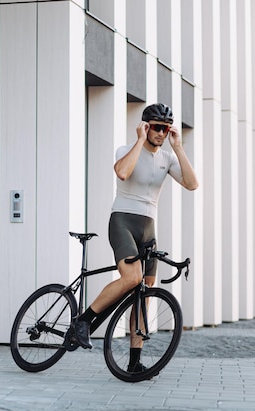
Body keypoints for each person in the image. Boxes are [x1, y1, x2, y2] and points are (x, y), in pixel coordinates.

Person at [72, 103, 199, 372]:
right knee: (131, 278)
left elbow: (192, 184)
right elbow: (122, 172)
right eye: (156, 127)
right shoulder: (127, 150)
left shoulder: (167, 157)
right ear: (144, 126)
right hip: (123, 221)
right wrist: (140, 140)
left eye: (165, 129)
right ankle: (83, 320)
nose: (161, 133)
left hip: (149, 228)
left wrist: (178, 147)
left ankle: (134, 361)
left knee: (145, 292)